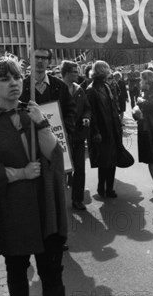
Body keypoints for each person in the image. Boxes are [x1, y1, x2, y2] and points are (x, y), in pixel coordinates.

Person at [0, 55, 67, 295]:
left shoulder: (33, 115)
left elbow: (54, 157)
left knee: (52, 275)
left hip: (44, 209)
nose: (14, 82)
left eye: (17, 76)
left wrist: (41, 123)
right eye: (5, 78)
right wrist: (21, 173)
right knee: (18, 276)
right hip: (14, 216)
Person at [19, 48, 76, 146]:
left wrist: (65, 129)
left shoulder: (60, 86)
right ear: (30, 59)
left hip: (57, 141)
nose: (40, 61)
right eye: (36, 57)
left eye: (44, 58)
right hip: (30, 144)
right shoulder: (21, 87)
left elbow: (71, 110)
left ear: (49, 61)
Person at [86, 60, 123, 198]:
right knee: (104, 161)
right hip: (101, 131)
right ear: (102, 72)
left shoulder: (106, 86)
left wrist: (118, 125)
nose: (109, 72)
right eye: (107, 70)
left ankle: (109, 188)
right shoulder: (91, 89)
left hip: (111, 128)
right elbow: (91, 113)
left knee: (111, 160)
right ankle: (102, 187)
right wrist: (95, 131)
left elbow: (113, 107)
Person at [60, 61, 91, 211]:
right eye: (75, 72)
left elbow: (87, 108)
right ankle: (57, 202)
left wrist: (87, 117)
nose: (78, 74)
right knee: (61, 170)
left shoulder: (80, 90)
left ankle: (77, 199)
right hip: (61, 137)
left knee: (80, 169)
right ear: (66, 73)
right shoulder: (57, 89)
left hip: (78, 136)